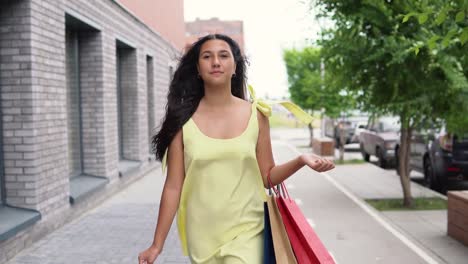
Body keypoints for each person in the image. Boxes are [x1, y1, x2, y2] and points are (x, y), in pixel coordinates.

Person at [138, 34, 335, 264]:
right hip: (202, 235)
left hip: (248, 229)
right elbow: (173, 187)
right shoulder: (182, 121)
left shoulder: (257, 115)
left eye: (223, 55)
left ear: (234, 66)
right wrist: (156, 245)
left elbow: (267, 176)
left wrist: (300, 160)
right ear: (198, 69)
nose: (216, 62)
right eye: (207, 56)